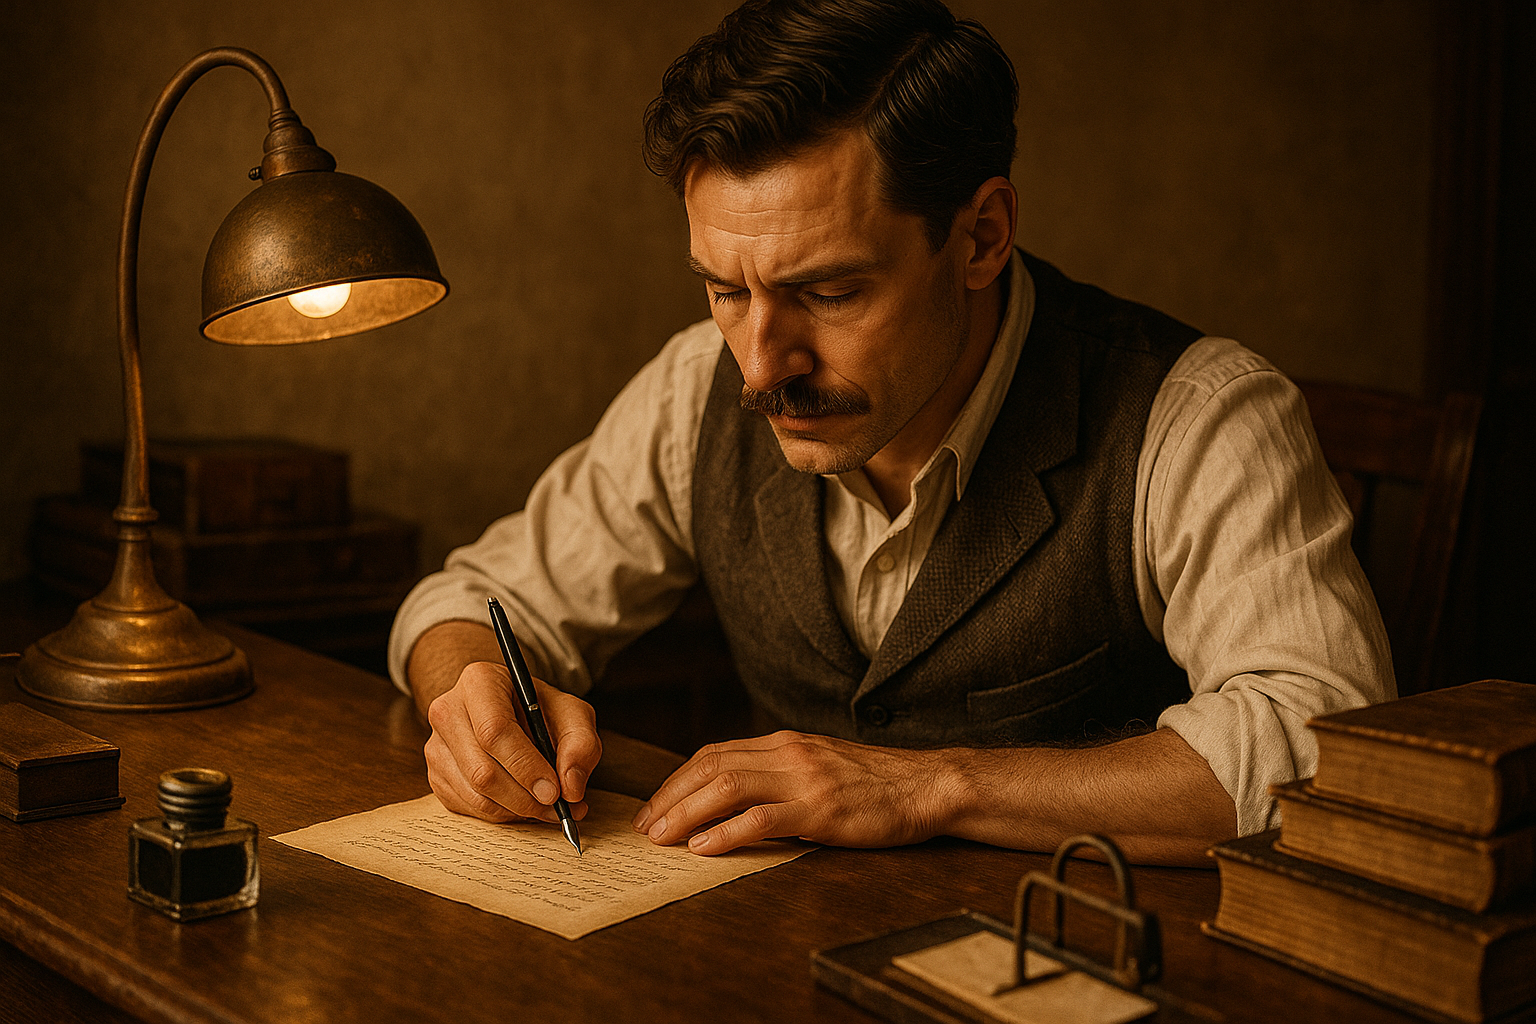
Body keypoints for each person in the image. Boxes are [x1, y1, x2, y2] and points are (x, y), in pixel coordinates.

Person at [388, 0, 1393, 867]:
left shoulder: (1199, 413)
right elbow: (469, 602)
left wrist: (929, 786)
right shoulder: (695, 386)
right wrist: (467, 692)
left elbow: (1322, 748)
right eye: (724, 289)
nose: (760, 363)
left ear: (981, 236)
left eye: (827, 291)